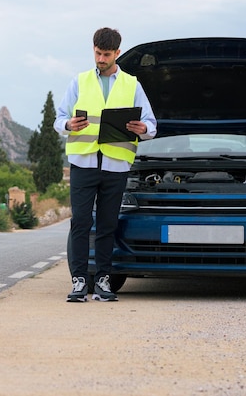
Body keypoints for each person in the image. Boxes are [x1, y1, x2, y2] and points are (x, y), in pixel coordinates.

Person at [54, 27, 157, 302]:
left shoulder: (132, 85)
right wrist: (68, 124)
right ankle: (79, 281)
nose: (100, 59)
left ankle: (103, 281)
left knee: (108, 224)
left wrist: (142, 127)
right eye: (97, 53)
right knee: (81, 223)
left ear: (117, 53)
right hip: (83, 163)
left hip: (116, 166)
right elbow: (59, 118)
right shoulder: (80, 81)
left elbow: (152, 126)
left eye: (106, 54)